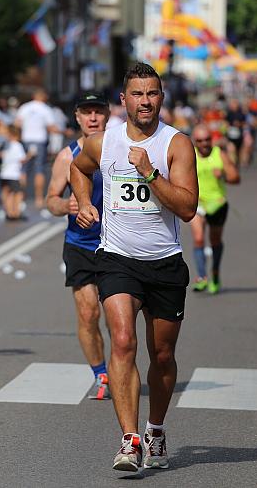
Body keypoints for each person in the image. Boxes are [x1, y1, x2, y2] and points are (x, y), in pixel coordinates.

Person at [71, 63, 198, 472]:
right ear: (122, 101)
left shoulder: (175, 144)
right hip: (117, 259)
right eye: (138, 94)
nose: (146, 102)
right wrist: (86, 203)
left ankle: (155, 428)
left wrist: (150, 172)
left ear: (162, 97)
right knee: (123, 342)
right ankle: (130, 441)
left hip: (164, 263)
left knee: (162, 355)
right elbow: (78, 168)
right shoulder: (101, 142)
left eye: (153, 93)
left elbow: (187, 208)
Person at [46, 91, 112, 400]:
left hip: (116, 245)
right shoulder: (66, 156)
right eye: (87, 113)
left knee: (117, 318)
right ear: (77, 117)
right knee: (88, 313)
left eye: (98, 111)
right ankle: (101, 374)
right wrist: (65, 206)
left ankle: (121, 366)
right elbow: (50, 200)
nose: (93, 118)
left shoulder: (119, 149)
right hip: (80, 243)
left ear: (108, 114)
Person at [189, 124, 240, 294]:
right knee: (198, 239)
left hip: (217, 204)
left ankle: (215, 275)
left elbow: (236, 178)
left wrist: (224, 175)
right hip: (198, 204)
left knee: (215, 241)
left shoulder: (220, 154)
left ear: (212, 139)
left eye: (207, 140)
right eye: (200, 141)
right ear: (194, 142)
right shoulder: (190, 155)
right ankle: (202, 277)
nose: (204, 144)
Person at [16, 89, 59, 209]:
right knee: (39, 170)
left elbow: (17, 123)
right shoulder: (45, 109)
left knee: (24, 170)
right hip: (40, 141)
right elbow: (51, 127)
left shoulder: (24, 107)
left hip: (26, 140)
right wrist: (64, 131)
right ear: (43, 96)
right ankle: (39, 198)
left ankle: (21, 196)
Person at [0, 123, 27, 220]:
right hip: (14, 174)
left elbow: (1, 155)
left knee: (6, 193)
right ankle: (15, 212)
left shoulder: (6, 145)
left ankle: (8, 212)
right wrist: (30, 155)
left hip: (4, 173)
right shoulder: (18, 145)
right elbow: (22, 159)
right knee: (17, 193)